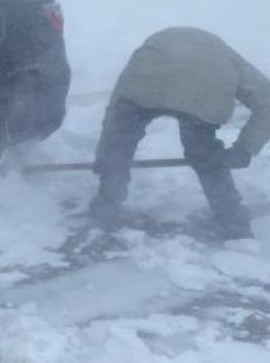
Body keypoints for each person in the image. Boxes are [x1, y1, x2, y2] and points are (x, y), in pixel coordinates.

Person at [89, 26, 269, 239]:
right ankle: (231, 219)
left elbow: (116, 106)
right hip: (204, 91)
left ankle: (106, 205)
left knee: (121, 140)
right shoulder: (229, 59)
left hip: (146, 79)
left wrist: (107, 155)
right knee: (204, 154)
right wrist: (245, 149)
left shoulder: (154, 47)